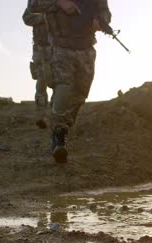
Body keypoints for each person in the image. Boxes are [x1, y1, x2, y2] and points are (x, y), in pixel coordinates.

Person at [29, 0, 112, 163]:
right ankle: (58, 134)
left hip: (86, 48)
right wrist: (59, 2)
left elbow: (105, 11)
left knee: (81, 93)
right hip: (61, 47)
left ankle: (62, 126)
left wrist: (101, 20)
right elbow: (33, 6)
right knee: (64, 87)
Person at [23, 0, 52, 129]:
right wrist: (44, 18)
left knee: (60, 81)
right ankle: (42, 116)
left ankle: (57, 115)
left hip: (59, 46)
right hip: (40, 47)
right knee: (41, 79)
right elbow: (27, 17)